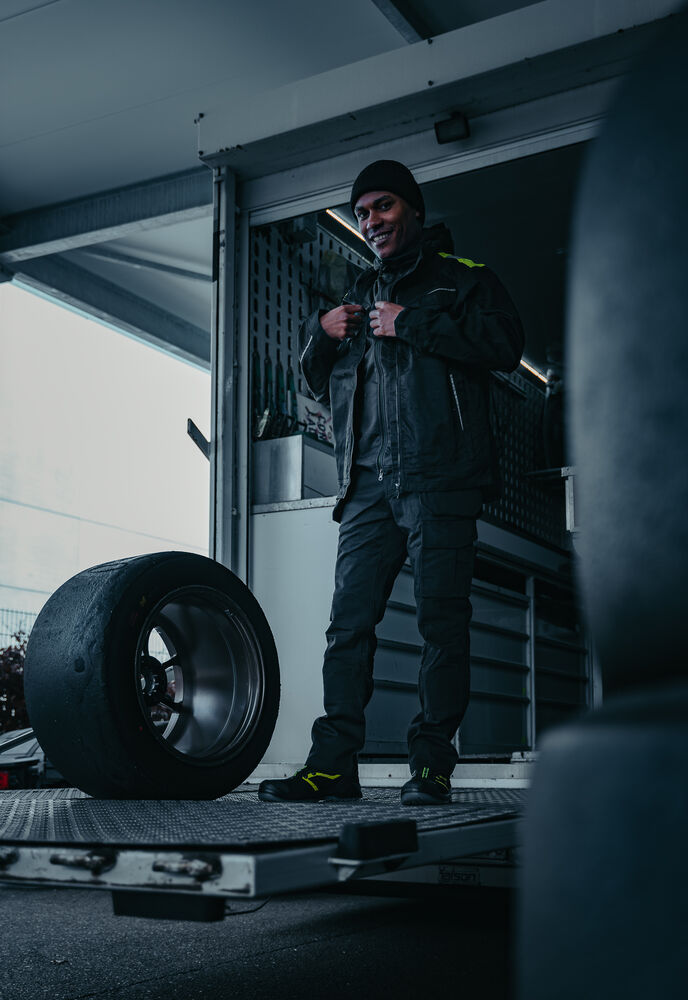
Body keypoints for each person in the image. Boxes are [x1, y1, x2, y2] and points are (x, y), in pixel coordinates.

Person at [258, 160, 524, 805]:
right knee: (347, 626)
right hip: (368, 485)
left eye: (383, 206)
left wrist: (412, 323)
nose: (371, 221)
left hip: (440, 476)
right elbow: (320, 382)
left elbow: (505, 346)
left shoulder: (463, 279)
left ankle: (431, 766)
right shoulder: (356, 293)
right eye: (362, 213)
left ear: (414, 210)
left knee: (441, 624)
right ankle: (332, 766)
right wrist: (320, 336)